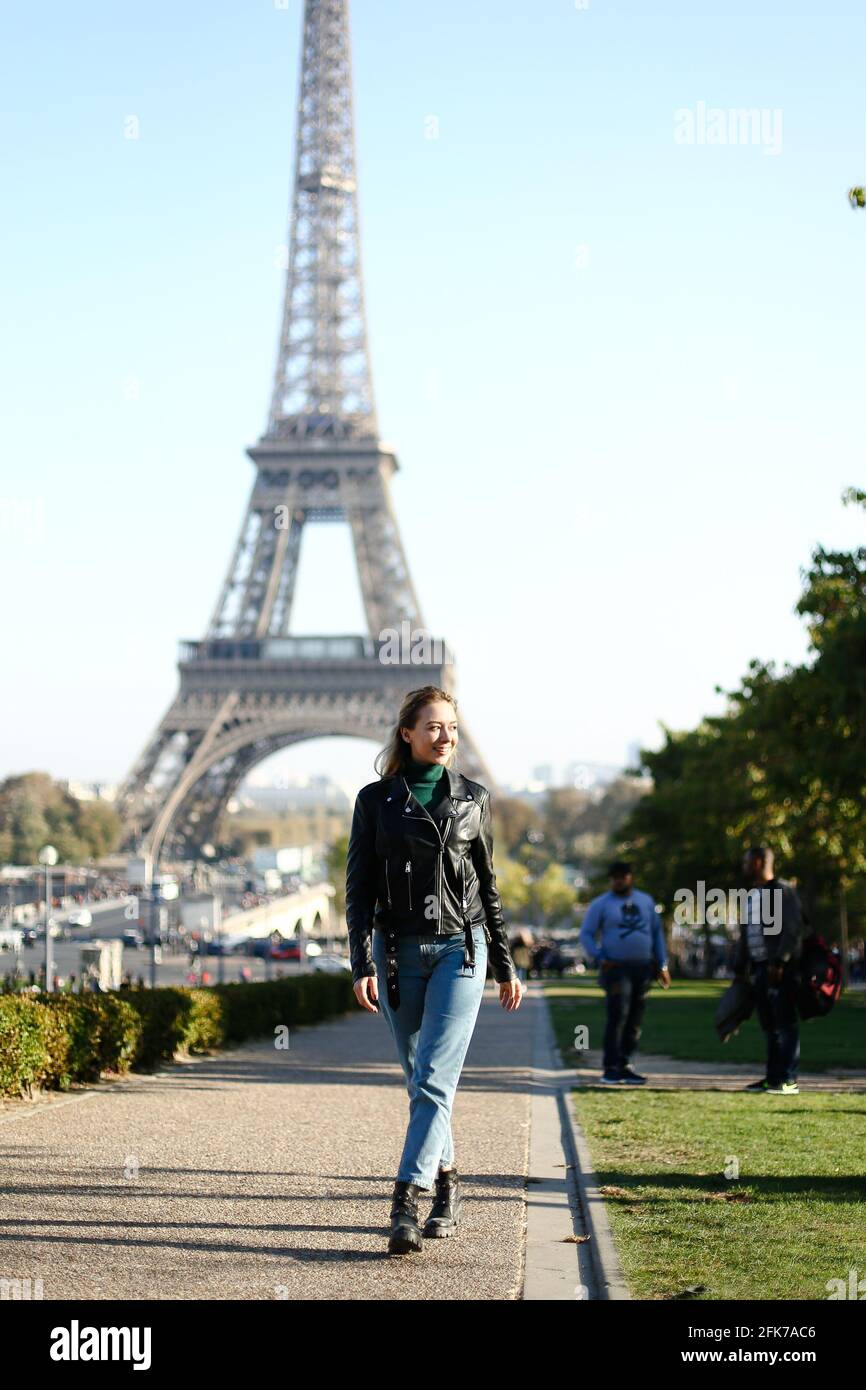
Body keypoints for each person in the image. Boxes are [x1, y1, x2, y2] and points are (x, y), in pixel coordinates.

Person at [345, 685, 523, 1256]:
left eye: (451, 726)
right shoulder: (374, 802)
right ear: (407, 733)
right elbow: (358, 889)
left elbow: (487, 886)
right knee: (420, 1079)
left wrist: (505, 963)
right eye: (433, 727)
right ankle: (447, 1183)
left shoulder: (474, 798)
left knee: (433, 1079)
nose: (445, 736)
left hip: (459, 950)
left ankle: (405, 1199)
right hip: (396, 951)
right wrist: (360, 962)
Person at [578, 861, 670, 1085]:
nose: (619, 880)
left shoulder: (645, 901)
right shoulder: (601, 904)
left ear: (631, 877)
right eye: (615, 877)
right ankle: (610, 1067)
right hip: (616, 968)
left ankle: (626, 1064)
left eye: (623, 876)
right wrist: (599, 957)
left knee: (635, 1018)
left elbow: (656, 934)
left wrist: (663, 964)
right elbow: (587, 934)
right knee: (618, 1014)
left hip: (643, 967)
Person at [733, 847, 804, 1095]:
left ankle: (788, 1079)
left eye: (747, 861)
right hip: (759, 968)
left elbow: (793, 929)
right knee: (770, 1025)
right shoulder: (752, 894)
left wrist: (780, 961)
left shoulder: (782, 891)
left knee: (785, 1024)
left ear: (759, 862)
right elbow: (746, 932)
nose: (744, 866)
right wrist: (740, 966)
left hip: (779, 969)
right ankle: (773, 1078)